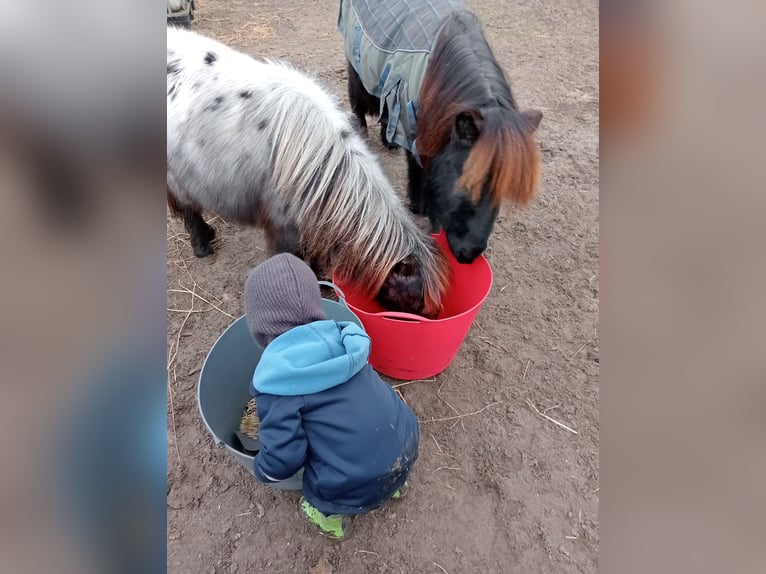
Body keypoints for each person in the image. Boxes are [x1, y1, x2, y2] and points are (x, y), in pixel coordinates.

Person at [243, 253, 419, 539]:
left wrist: (262, 469)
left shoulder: (278, 387)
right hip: (407, 445)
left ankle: (331, 520)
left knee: (320, 491)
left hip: (355, 481)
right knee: (377, 439)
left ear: (261, 333)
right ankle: (397, 484)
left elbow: (284, 458)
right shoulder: (348, 346)